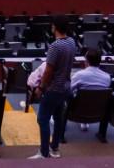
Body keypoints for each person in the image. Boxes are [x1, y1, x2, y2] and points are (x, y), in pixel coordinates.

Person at [30, 16, 75, 159]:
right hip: (65, 88)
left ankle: (44, 153)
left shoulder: (55, 46)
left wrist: (41, 88)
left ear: (54, 27)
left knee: (42, 119)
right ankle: (54, 148)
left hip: (53, 89)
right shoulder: (71, 42)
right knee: (58, 118)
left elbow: (48, 70)